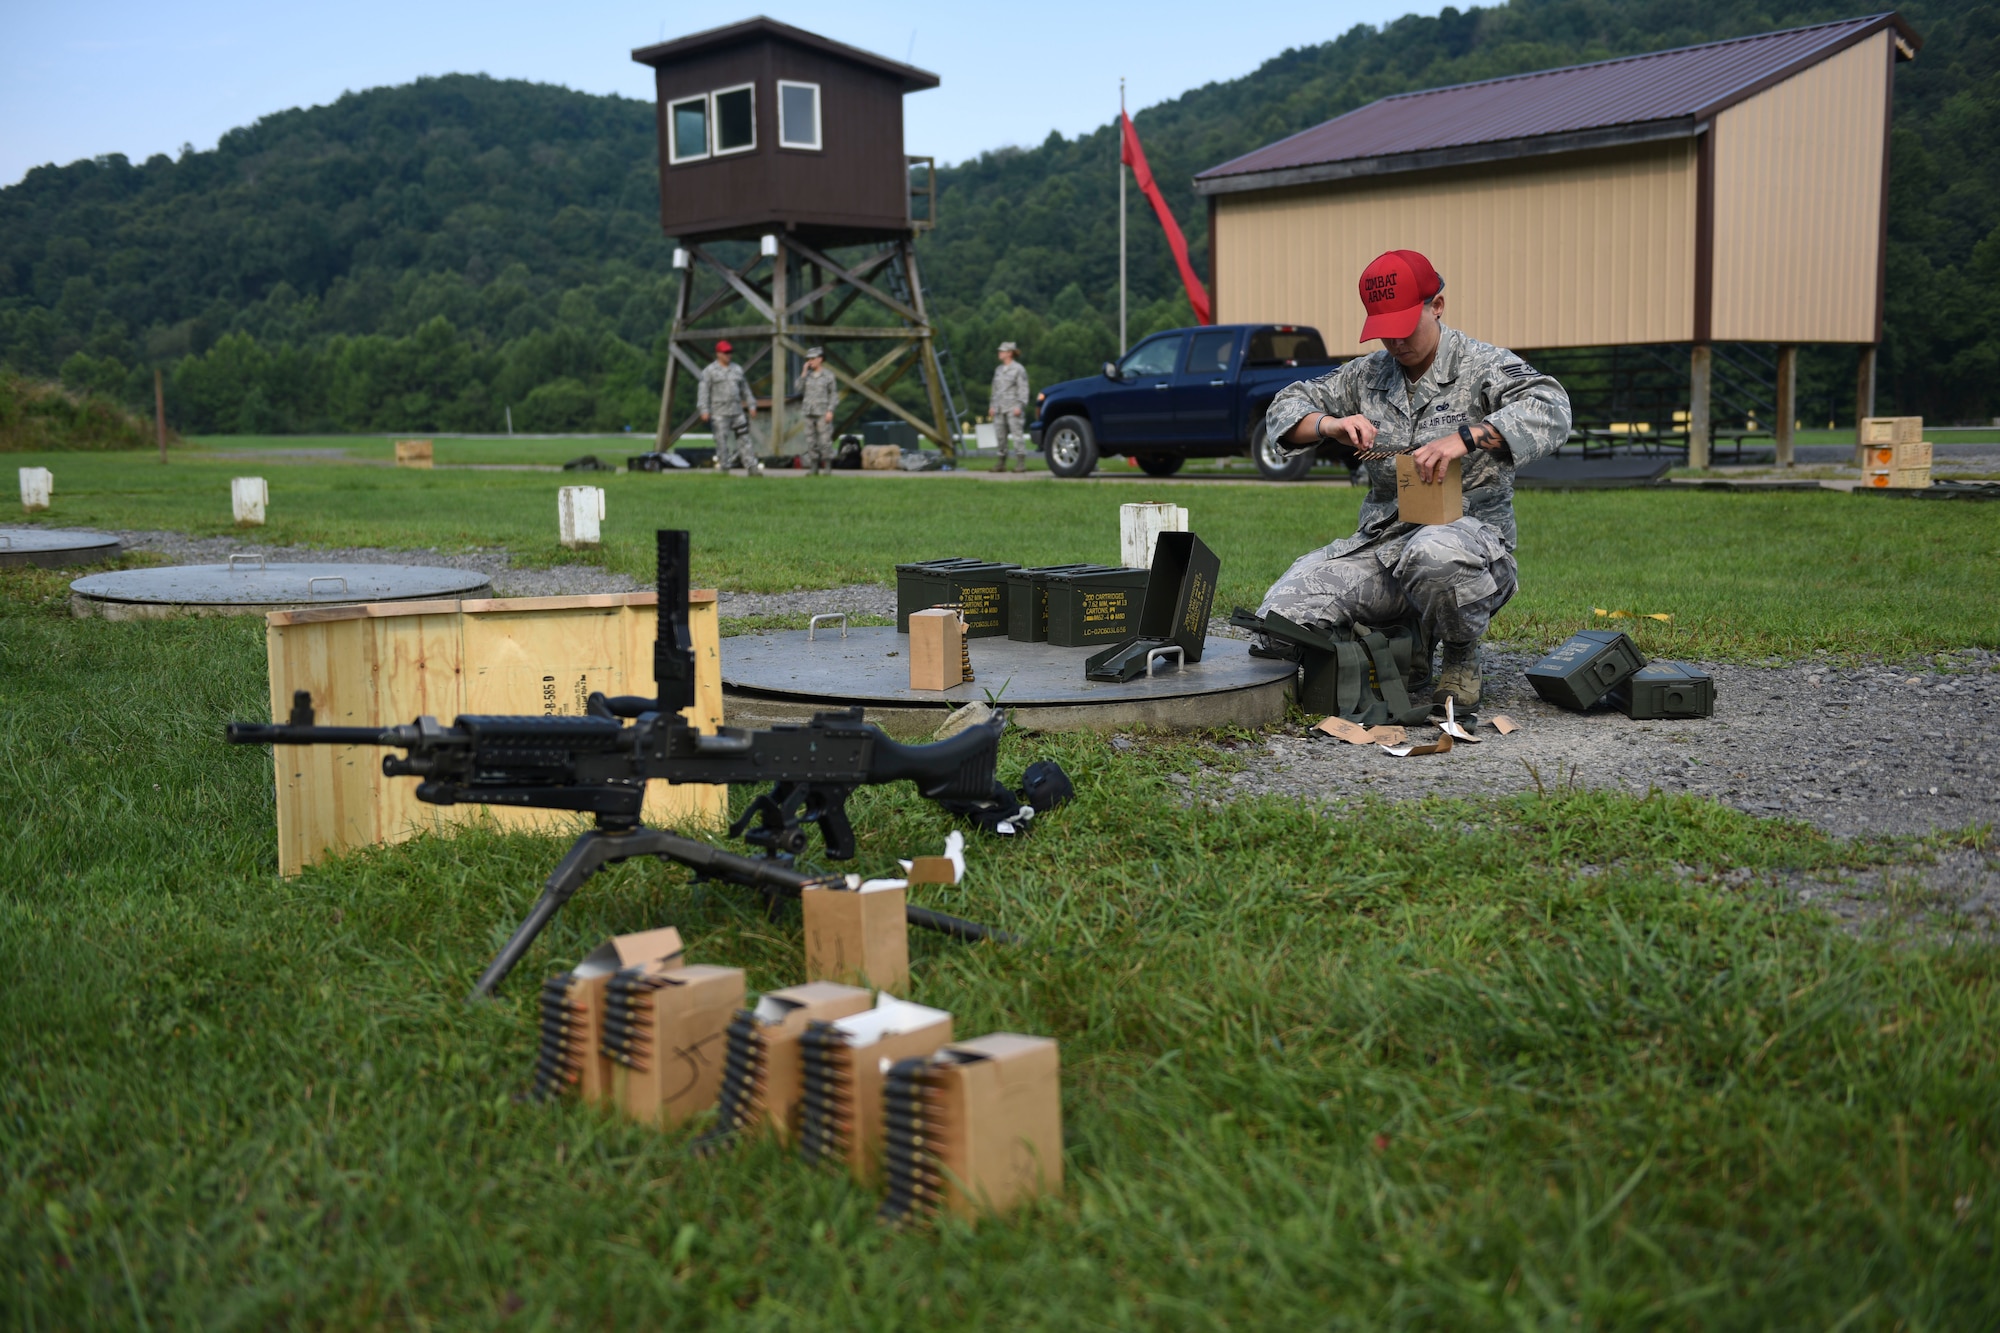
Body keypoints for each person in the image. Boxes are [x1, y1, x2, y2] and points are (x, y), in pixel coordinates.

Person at [1253, 249, 1571, 710]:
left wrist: (1469, 437)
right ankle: (1403, 644)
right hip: (1388, 546)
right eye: (1385, 332)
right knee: (1281, 612)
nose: (1396, 343)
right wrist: (1331, 425)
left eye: (1405, 328)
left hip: (1472, 549)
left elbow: (1552, 407)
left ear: (1436, 306)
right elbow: (1285, 406)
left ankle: (1461, 656)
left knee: (1433, 553)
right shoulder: (1368, 375)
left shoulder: (1481, 365)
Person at [697, 340, 759, 474]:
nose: (728, 355)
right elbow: (703, 392)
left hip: (737, 412)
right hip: (720, 413)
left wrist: (751, 405)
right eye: (725, 353)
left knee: (745, 440)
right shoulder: (709, 371)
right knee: (722, 442)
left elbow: (745, 390)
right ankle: (725, 469)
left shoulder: (737, 369)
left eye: (730, 352)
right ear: (718, 354)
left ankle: (752, 468)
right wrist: (704, 409)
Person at [794, 347, 839, 475]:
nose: (810, 362)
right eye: (808, 359)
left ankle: (827, 466)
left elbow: (833, 395)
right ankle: (814, 467)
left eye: (812, 359)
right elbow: (798, 388)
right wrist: (803, 372)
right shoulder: (807, 376)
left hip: (822, 412)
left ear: (820, 359)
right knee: (810, 440)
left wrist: (830, 410)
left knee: (825, 440)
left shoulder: (828, 376)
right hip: (808, 412)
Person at [989, 341, 1030, 472]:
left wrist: (1020, 405)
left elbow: (1023, 389)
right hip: (999, 408)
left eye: (1002, 351)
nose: (999, 353)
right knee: (1000, 436)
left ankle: (1020, 463)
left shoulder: (1018, 369)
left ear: (1009, 353)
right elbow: (994, 390)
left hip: (1013, 407)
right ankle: (1001, 462)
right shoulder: (998, 370)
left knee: (1017, 435)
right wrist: (992, 406)